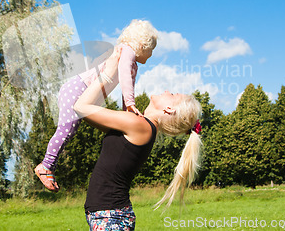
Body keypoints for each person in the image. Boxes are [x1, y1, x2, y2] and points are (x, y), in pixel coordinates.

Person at [73, 46, 203, 230]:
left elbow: (81, 107)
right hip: (109, 216)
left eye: (172, 95)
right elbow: (93, 114)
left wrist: (109, 73)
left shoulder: (140, 125)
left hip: (111, 217)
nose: (167, 90)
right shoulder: (142, 125)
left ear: (169, 109)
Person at [35, 20, 159, 192]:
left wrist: (127, 112)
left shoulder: (133, 65)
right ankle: (45, 166)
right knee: (66, 129)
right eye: (151, 49)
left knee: (72, 130)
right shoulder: (127, 51)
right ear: (141, 45)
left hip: (85, 95)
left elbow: (128, 85)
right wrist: (130, 103)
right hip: (77, 89)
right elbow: (123, 74)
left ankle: (49, 166)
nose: (152, 54)